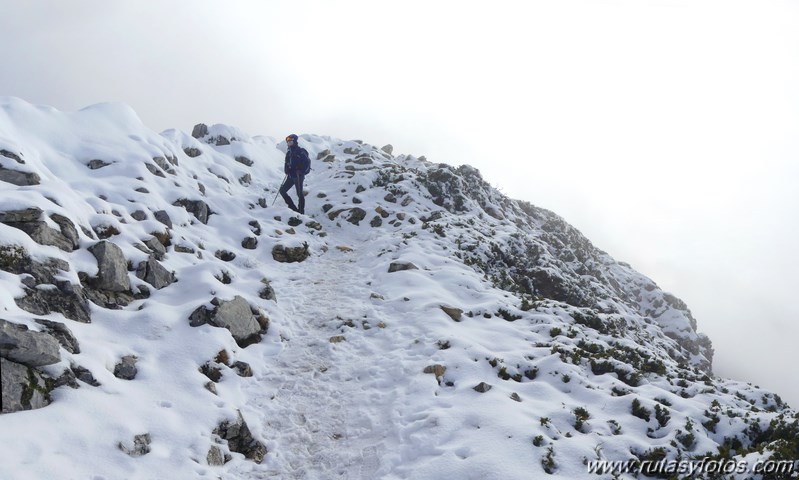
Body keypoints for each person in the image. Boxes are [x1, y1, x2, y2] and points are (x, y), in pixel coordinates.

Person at [279, 134, 311, 214]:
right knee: (282, 191)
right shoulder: (289, 152)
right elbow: (286, 163)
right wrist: (286, 170)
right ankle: (293, 208)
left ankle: (301, 212)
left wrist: (301, 171)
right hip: (291, 176)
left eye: (290, 141)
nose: (289, 143)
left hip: (298, 176)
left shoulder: (300, 151)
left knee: (299, 194)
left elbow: (306, 162)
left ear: (295, 141)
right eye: (288, 142)